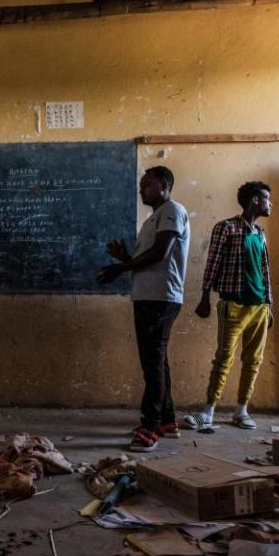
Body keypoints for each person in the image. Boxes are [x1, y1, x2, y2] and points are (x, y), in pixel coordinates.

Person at [97, 166, 190, 452]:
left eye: (146, 185)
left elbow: (160, 253)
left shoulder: (172, 210)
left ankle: (150, 428)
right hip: (149, 296)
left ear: (163, 184)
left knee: (152, 363)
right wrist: (125, 257)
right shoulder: (154, 219)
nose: (141, 190)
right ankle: (167, 420)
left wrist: (120, 267)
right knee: (157, 361)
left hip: (161, 298)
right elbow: (150, 258)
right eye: (141, 186)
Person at [187, 181, 274, 431]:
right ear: (255, 200)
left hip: (259, 307)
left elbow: (265, 271)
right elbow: (212, 263)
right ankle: (209, 411)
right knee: (224, 358)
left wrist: (270, 305)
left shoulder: (260, 234)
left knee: (253, 360)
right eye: (267, 199)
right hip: (233, 305)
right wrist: (204, 297)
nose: (271, 204)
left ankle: (241, 410)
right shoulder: (226, 228)